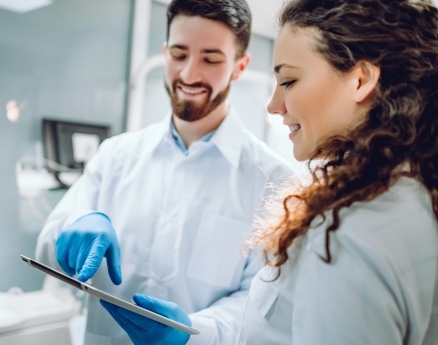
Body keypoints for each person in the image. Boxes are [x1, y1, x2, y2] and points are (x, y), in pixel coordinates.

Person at [100, 0, 438, 344]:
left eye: (289, 80)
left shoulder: (347, 232)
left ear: (360, 80)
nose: (273, 105)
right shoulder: (414, 197)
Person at [35, 0, 295, 344]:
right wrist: (69, 231)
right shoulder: (116, 155)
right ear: (165, 52)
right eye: (178, 54)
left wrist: (194, 332)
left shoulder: (274, 182)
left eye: (211, 59)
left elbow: (262, 305)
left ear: (239, 66)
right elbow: (46, 247)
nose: (189, 74)